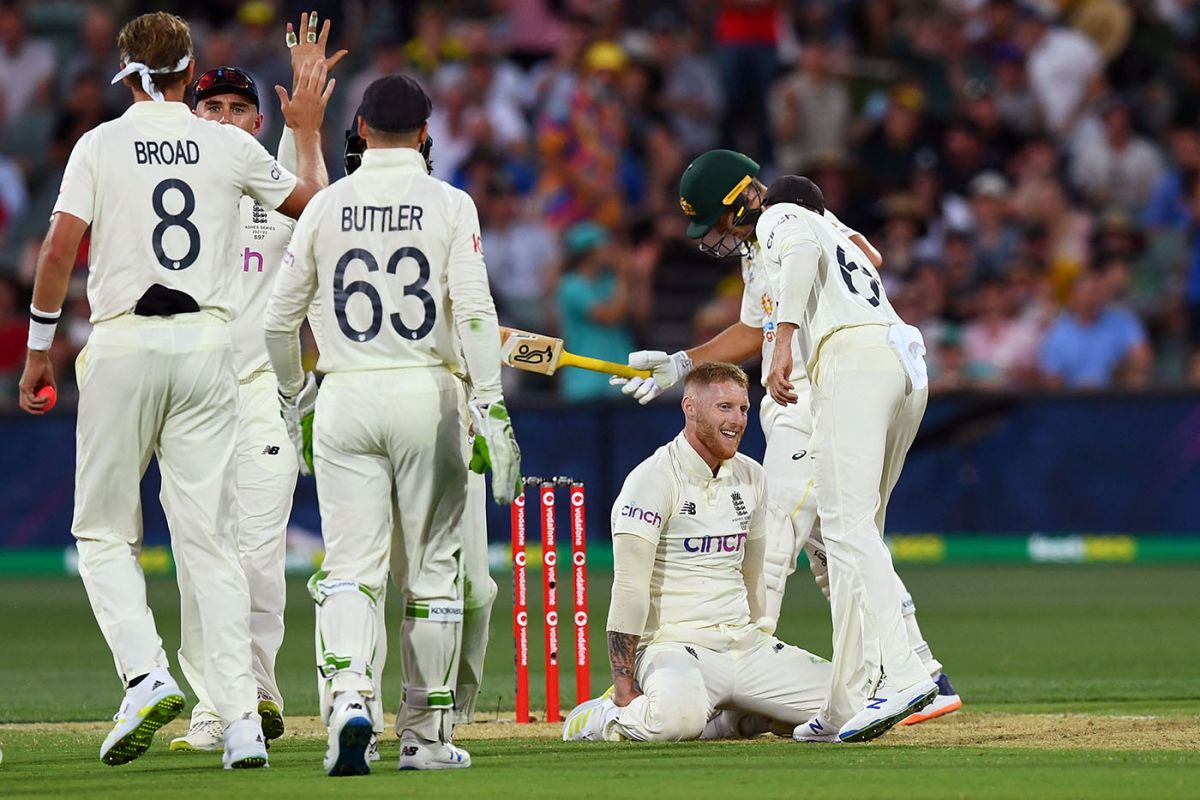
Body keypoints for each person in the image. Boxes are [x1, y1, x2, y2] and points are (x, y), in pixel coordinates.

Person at [16, 10, 327, 768]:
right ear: (189, 77)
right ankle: (244, 723)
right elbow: (318, 215)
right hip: (208, 351)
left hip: (124, 342)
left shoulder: (99, 143)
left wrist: (37, 349)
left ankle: (146, 674)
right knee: (212, 543)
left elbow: (59, 248)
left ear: (127, 74)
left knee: (102, 533)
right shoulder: (224, 144)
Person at [613, 154, 960, 733]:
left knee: (801, 531)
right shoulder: (802, 227)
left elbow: (794, 264)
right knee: (847, 542)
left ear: (742, 199)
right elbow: (771, 313)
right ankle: (861, 694)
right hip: (899, 363)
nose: (720, 238)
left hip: (846, 363)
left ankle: (902, 679)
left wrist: (784, 343)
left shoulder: (778, 216)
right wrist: (682, 363)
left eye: (719, 222)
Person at [263, 73, 520, 776]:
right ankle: (425, 738)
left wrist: (297, 398)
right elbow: (473, 313)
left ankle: (349, 701)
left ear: (363, 132)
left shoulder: (326, 206)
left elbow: (278, 322)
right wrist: (490, 406)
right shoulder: (450, 203)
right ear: (427, 135)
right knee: (434, 573)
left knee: (351, 567)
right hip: (427, 395)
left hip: (346, 393)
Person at [169, 10, 346, 753]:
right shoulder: (171, 186)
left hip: (260, 396)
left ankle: (256, 695)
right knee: (196, 553)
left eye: (241, 108)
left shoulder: (274, 180)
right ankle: (216, 705)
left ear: (255, 119)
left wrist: (305, 126)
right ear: (191, 117)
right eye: (212, 107)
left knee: (258, 556)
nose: (227, 118)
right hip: (187, 397)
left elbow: (323, 218)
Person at [563, 362, 832, 743]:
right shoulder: (651, 480)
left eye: (743, 409)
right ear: (689, 408)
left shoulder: (752, 476)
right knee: (672, 723)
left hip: (743, 644)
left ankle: (731, 722)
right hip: (673, 647)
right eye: (724, 407)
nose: (737, 420)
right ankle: (600, 717)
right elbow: (629, 588)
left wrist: (762, 637)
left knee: (846, 708)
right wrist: (623, 685)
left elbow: (753, 573)